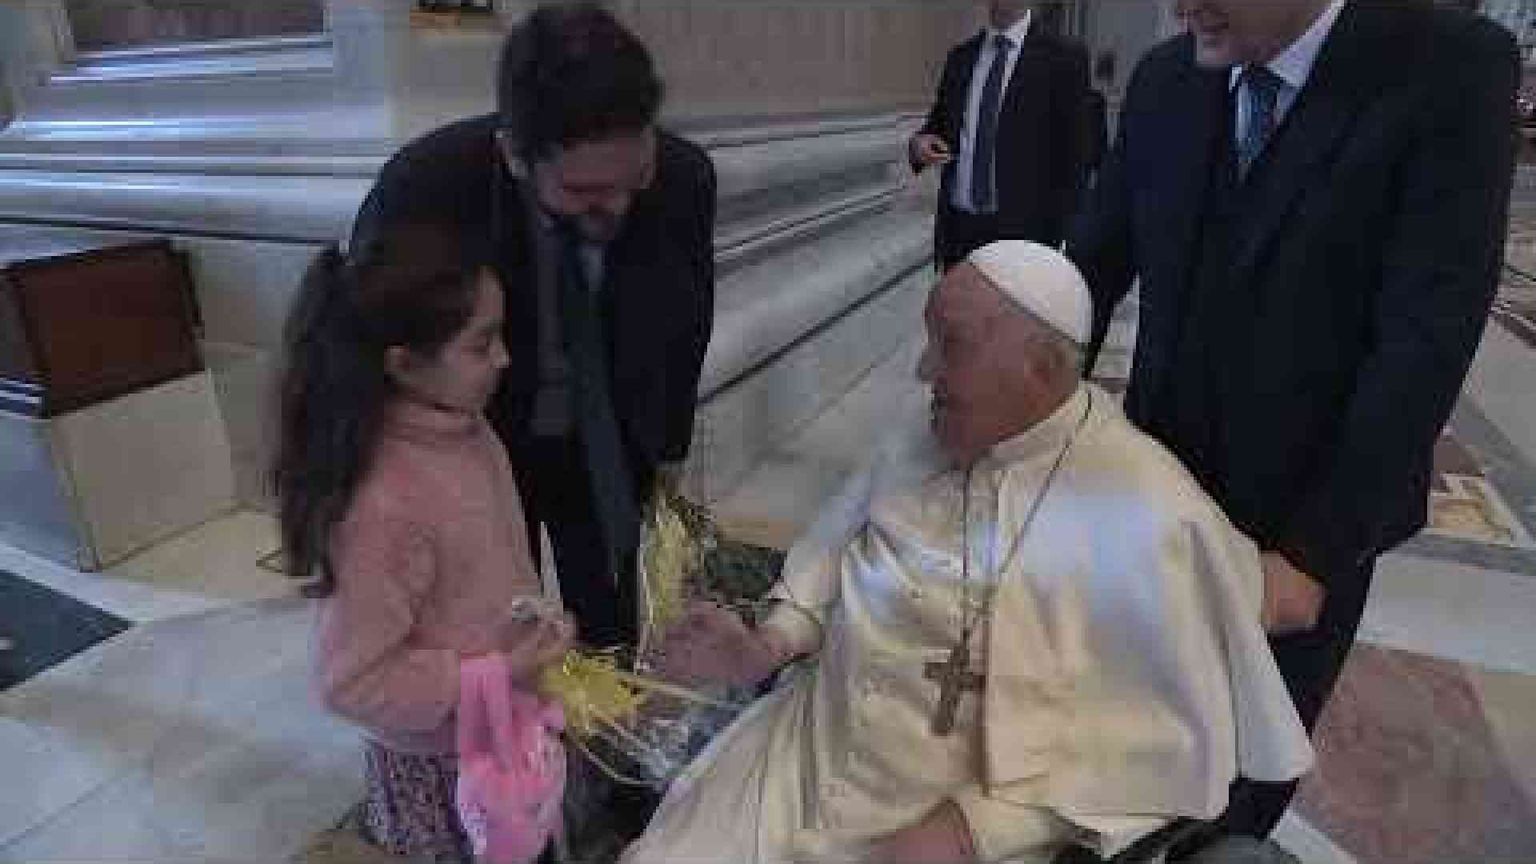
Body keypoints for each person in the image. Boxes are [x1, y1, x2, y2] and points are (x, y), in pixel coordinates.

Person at [623, 242, 1312, 864]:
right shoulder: (922, 433)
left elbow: (1147, 747)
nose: (924, 370)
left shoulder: (1148, 506)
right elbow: (830, 560)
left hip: (949, 830)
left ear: (1042, 368)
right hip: (800, 760)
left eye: (950, 346)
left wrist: (976, 829)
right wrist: (766, 645)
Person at [1066, 0, 1519, 848]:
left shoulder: (1448, 69)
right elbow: (1091, 268)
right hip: (1151, 499)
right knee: (1112, 745)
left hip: (1298, 535)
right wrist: (1019, 402)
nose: (1181, 6)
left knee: (1233, 792)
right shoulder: (1167, 81)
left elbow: (1423, 340)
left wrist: (1315, 552)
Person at [350, 2, 717, 651]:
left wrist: (669, 448)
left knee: (615, 605)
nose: (617, 206)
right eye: (584, 191)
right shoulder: (426, 191)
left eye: (633, 177)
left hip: (610, 436)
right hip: (478, 439)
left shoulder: (684, 177)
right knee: (492, 615)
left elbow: (687, 323)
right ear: (515, 156)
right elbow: (365, 342)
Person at [274, 226, 574, 861]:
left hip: (504, 727)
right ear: (404, 365)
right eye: (481, 343)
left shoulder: (466, 427)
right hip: (444, 770)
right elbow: (351, 682)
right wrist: (495, 674)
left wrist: (533, 631)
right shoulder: (382, 505)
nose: (505, 358)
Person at [909, 0, 1092, 268]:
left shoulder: (1065, 58)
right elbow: (938, 127)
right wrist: (919, 145)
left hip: (1023, 240)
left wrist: (1060, 243)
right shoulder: (961, 58)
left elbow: (1076, 158)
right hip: (960, 232)